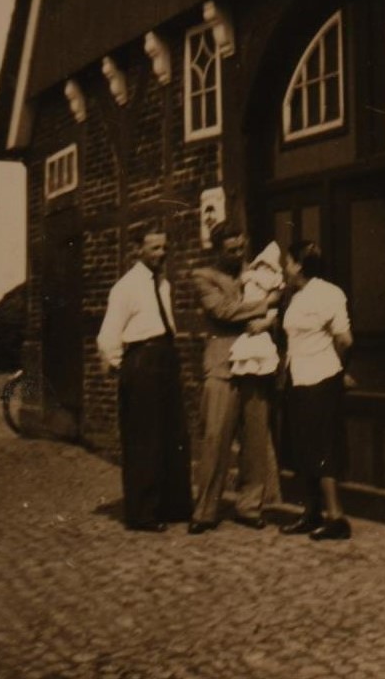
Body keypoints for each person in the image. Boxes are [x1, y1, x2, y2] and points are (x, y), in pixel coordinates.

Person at [96, 226, 192, 532]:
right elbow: (108, 335)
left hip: (166, 357)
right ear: (139, 250)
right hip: (142, 360)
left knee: (173, 434)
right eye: (154, 248)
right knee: (144, 438)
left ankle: (173, 506)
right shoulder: (125, 287)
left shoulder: (163, 284)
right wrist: (122, 366)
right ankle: (142, 513)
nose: (161, 254)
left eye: (164, 248)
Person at [189, 222, 283, 534]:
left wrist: (268, 320)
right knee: (215, 438)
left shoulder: (256, 271)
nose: (238, 254)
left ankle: (249, 506)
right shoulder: (203, 276)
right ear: (217, 250)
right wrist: (266, 304)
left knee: (256, 439)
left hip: (255, 362)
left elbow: (279, 304)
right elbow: (223, 311)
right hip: (222, 364)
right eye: (231, 250)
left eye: (241, 248)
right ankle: (205, 510)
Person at [278, 240, 354, 541]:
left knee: (322, 448)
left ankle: (337, 518)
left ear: (298, 265)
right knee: (303, 447)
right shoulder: (296, 296)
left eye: (288, 262)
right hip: (297, 379)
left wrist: (339, 371)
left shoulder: (329, 293)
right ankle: (312, 513)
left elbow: (345, 339)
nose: (285, 267)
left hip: (321, 379)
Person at [228, 240, 283, 377]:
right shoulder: (248, 276)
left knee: (262, 349)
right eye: (261, 264)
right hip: (246, 315)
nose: (264, 268)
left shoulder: (273, 281)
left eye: (268, 266)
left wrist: (268, 321)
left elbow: (275, 304)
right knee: (247, 349)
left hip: (263, 319)